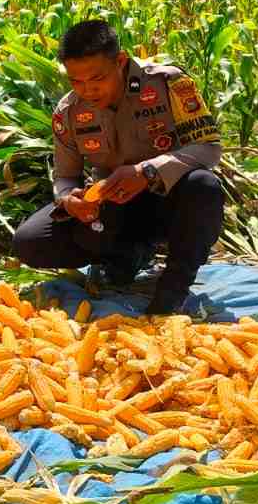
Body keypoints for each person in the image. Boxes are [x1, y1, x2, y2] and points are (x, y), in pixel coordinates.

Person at [12, 19, 225, 315]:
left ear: (120, 61)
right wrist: (69, 199)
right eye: (76, 81)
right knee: (30, 242)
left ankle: (174, 286)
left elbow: (209, 148)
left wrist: (147, 172)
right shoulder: (69, 112)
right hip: (114, 208)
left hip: (169, 202)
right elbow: (65, 177)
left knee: (204, 187)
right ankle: (125, 256)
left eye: (97, 78)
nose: (88, 90)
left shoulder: (168, 84)